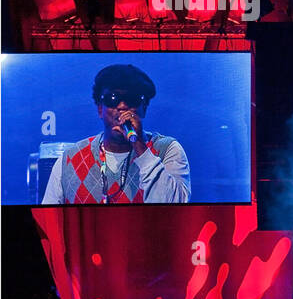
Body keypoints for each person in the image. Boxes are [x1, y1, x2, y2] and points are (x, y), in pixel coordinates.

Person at [42, 64, 191, 204]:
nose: (122, 106)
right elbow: (48, 219)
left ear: (144, 108)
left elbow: (175, 209)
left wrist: (139, 145)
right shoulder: (70, 158)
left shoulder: (167, 150)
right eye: (112, 99)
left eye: (132, 99)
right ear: (100, 109)